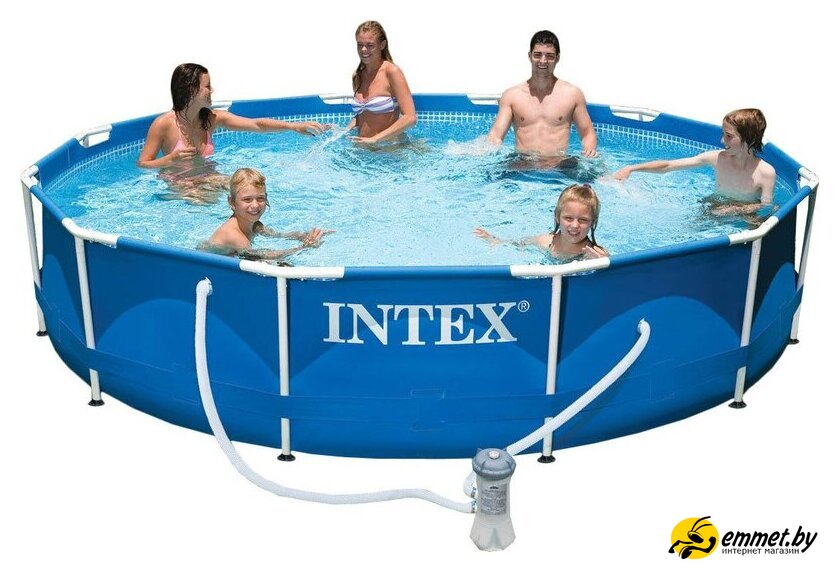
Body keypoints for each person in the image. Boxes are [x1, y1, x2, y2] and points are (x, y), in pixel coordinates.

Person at [138, 63, 327, 176]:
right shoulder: (163, 124)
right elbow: (143, 164)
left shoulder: (211, 119)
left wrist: (293, 126)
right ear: (191, 89)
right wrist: (171, 159)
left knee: (250, 189)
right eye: (207, 86)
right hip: (181, 187)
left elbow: (256, 124)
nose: (212, 90)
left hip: (208, 179)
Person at [612, 109, 776, 216]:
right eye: (723, 134)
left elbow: (766, 207)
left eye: (729, 136)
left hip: (744, 215)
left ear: (749, 139)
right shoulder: (717, 158)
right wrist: (632, 168)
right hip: (713, 207)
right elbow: (669, 166)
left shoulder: (765, 173)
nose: (722, 140)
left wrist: (735, 210)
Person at [487, 30, 597, 163]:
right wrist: (487, 151)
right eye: (537, 55)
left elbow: (587, 133)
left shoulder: (572, 94)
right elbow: (496, 135)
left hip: (558, 165)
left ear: (557, 58)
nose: (543, 61)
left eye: (549, 56)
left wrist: (589, 151)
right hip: (523, 164)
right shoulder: (512, 96)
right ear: (529, 56)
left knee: (597, 173)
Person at [204, 168, 332, 261]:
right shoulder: (235, 236)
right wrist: (304, 247)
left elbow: (279, 235)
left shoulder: (255, 225)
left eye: (260, 198)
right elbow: (265, 256)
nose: (255, 205)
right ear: (232, 202)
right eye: (247, 199)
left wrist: (304, 236)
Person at [475, 183, 608, 260]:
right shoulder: (545, 241)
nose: (575, 225)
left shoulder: (595, 254)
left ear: (592, 222)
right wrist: (496, 241)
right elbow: (520, 243)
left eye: (583, 220)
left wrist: (602, 264)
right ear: (557, 217)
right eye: (568, 218)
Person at [346, 21, 417, 145]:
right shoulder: (357, 75)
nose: (363, 49)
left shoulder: (392, 72)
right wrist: (344, 131)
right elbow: (363, 115)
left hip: (390, 148)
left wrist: (375, 139)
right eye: (360, 45)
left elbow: (410, 117)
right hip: (363, 148)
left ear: (382, 45)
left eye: (370, 45)